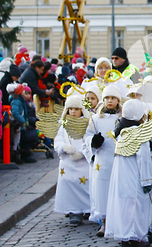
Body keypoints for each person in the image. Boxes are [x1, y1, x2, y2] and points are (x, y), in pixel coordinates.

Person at [105, 99, 152, 247]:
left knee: (124, 206)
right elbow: (143, 159)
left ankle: (125, 236)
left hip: (121, 176)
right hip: (134, 176)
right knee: (136, 206)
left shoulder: (121, 132)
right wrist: (147, 181)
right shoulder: (139, 135)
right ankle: (135, 237)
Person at [82, 85, 122, 237]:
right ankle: (104, 221)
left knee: (117, 189)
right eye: (106, 98)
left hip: (117, 158)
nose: (109, 101)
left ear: (118, 100)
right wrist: (93, 141)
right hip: (102, 160)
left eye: (112, 98)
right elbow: (86, 135)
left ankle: (117, 220)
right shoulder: (96, 118)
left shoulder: (121, 119)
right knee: (102, 190)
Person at [53, 94, 91, 226]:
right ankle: (74, 211)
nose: (73, 112)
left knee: (86, 185)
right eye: (70, 109)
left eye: (76, 109)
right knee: (69, 184)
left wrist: (82, 153)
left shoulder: (87, 124)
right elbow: (57, 140)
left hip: (83, 162)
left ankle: (88, 208)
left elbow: (89, 140)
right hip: (67, 163)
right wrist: (64, 147)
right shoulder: (63, 124)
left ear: (81, 110)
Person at [7, 83, 32, 163]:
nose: (24, 92)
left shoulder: (21, 101)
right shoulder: (16, 101)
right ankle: (14, 155)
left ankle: (16, 154)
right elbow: (15, 113)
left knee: (18, 139)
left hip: (20, 123)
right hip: (17, 124)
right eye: (23, 91)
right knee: (16, 139)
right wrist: (23, 121)